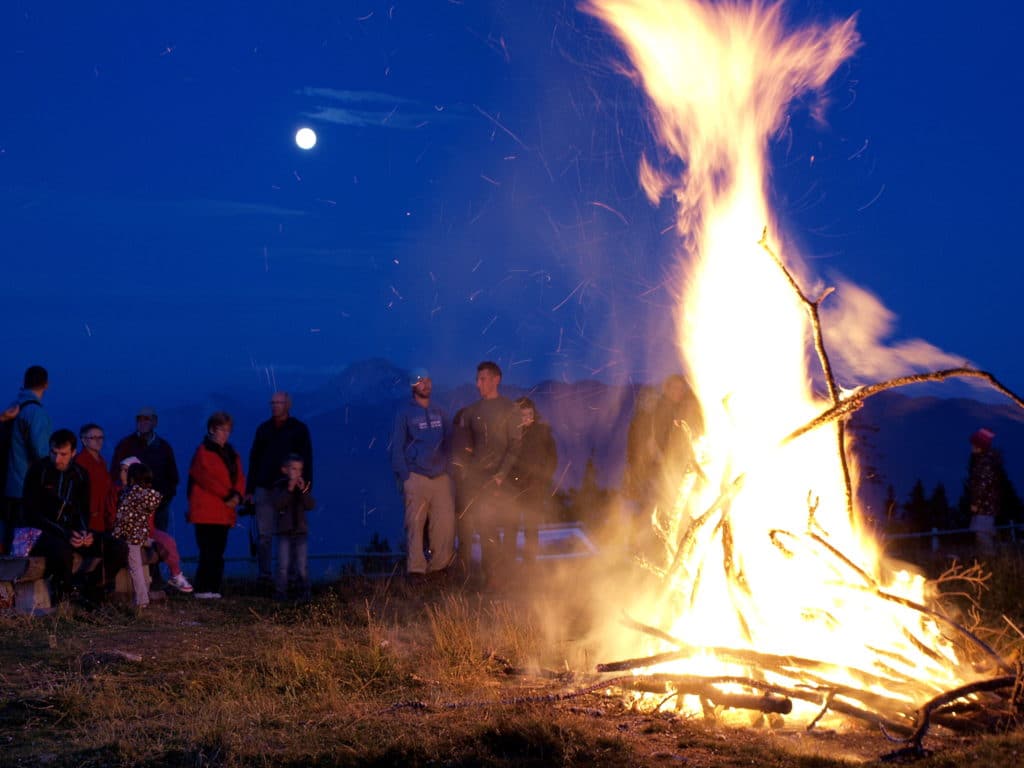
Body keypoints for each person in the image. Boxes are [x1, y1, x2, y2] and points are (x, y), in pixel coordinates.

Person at [453, 361, 522, 584]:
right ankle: (489, 578)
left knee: (507, 527)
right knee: (485, 528)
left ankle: (507, 576)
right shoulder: (473, 412)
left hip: (503, 480)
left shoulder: (510, 409)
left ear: (495, 379)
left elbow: (515, 446)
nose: (478, 384)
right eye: (477, 379)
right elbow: (466, 445)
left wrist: (501, 475)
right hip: (479, 480)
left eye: (482, 379)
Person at [390, 367, 455, 578]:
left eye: (428, 380)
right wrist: (405, 476)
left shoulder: (440, 411)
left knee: (443, 523)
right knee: (415, 524)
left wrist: (448, 468)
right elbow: (396, 447)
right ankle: (416, 569)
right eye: (420, 381)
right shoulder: (404, 413)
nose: (425, 384)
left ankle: (439, 567)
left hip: (440, 476)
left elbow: (450, 441)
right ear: (413, 386)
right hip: (416, 476)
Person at [22, 429, 96, 603]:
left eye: (63, 454)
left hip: (70, 532)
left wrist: (84, 533)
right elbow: (31, 513)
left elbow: (83, 510)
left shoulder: (80, 474)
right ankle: (65, 601)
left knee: (115, 547)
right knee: (63, 551)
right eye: (54, 453)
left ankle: (96, 595)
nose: (57, 459)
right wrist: (65, 534)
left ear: (73, 453)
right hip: (40, 533)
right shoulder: (38, 471)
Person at [246, 392, 313, 585]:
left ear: (287, 405)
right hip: (265, 486)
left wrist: (305, 485)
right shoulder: (264, 429)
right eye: (273, 402)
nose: (275, 406)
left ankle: (289, 576)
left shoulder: (298, 430)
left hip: (288, 488)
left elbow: (307, 458)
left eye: (278, 402)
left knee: (288, 532)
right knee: (264, 534)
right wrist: (250, 489)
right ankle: (265, 575)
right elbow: (254, 459)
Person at [186, 412, 245, 599]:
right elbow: (207, 478)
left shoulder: (232, 453)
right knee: (208, 551)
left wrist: (237, 495)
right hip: (206, 511)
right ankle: (204, 588)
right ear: (212, 429)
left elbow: (240, 477)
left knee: (218, 551)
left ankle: (213, 588)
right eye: (222, 429)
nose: (225, 434)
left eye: (228, 430)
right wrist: (230, 495)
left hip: (223, 511)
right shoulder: (203, 452)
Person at [116, 457, 193, 593]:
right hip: (128, 532)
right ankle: (140, 597)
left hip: (147, 530)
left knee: (168, 541)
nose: (123, 474)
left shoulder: (145, 493)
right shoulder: (117, 492)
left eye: (127, 471)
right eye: (122, 470)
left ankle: (176, 575)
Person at [3, 365, 52, 552]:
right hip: (26, 486)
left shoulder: (12, 408)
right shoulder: (35, 413)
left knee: (9, 540)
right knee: (23, 545)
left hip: (8, 485)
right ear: (46, 385)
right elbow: (41, 452)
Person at [110, 407, 179, 534]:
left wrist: (164, 498)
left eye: (146, 419)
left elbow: (173, 476)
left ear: (155, 422)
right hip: (132, 504)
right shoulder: (125, 445)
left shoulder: (164, 447)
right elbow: (115, 472)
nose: (142, 422)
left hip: (159, 504)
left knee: (158, 539)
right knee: (135, 539)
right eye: (139, 419)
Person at [509, 397, 558, 563]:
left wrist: (544, 478)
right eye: (523, 415)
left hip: (535, 487)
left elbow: (552, 458)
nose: (526, 418)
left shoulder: (542, 432)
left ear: (534, 414)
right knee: (512, 526)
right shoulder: (512, 434)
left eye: (529, 414)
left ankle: (530, 562)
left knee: (531, 527)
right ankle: (508, 563)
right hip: (515, 488)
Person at [113, 462, 163, 609]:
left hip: (130, 537)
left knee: (135, 568)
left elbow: (122, 517)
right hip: (140, 535)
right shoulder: (147, 495)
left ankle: (141, 600)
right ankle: (142, 598)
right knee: (138, 567)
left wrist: (115, 534)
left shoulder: (130, 494)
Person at [270, 454, 315, 601]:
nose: (297, 473)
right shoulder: (279, 486)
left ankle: (304, 593)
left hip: (301, 532)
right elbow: (277, 504)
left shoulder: (303, 487)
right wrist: (289, 489)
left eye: (299, 470)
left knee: (302, 565)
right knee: (283, 565)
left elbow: (310, 505)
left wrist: (303, 491)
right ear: (285, 470)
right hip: (284, 532)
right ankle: (281, 593)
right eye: (293, 469)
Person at [967, 428, 1001, 554]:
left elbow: (982, 485)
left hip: (985, 507)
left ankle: (990, 562)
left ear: (979, 446)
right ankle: (988, 562)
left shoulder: (984, 463)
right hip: (987, 505)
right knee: (982, 535)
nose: (972, 447)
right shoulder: (985, 461)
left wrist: (976, 503)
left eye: (974, 444)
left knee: (983, 535)